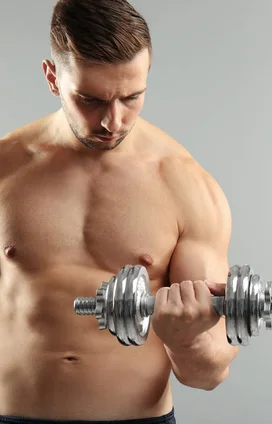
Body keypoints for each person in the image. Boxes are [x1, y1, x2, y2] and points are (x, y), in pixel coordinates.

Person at [0, 0, 239, 422]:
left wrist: (186, 340)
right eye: (90, 100)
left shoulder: (185, 186)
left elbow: (208, 373)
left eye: (131, 97)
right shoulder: (6, 169)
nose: (113, 120)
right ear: (53, 77)